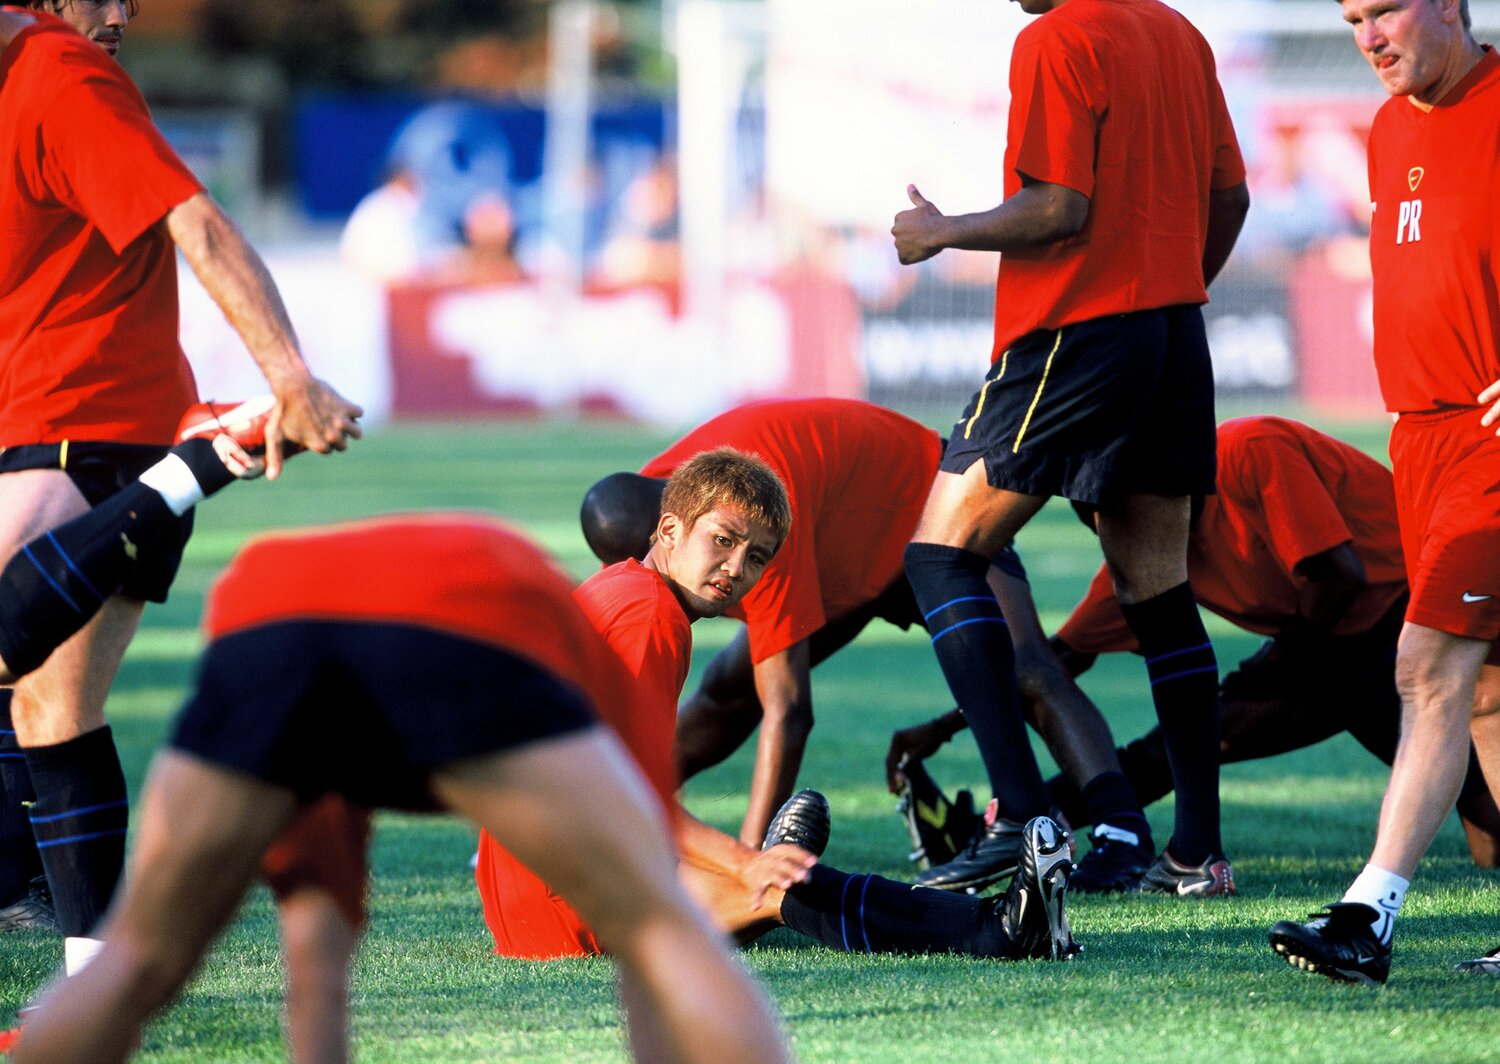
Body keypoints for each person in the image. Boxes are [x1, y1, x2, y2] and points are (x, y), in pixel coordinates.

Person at [6, 515, 793, 1064]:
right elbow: (648, 828)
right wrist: (747, 865)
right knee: (660, 932)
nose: (735, 568)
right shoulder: (630, 620)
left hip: (271, 619)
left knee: (144, 953)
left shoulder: (605, 601)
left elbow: (316, 972)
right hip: (459, 618)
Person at [0, 2, 362, 977]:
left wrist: (288, 374)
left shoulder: (62, 77)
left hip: (89, 429)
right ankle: (89, 979)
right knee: (49, 713)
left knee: (12, 659)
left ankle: (208, 456)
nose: (117, 15)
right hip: (43, 429)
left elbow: (196, 221)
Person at [889, 0, 1249, 895]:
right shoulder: (1177, 32)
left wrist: (940, 233)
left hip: (1075, 332)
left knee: (939, 558)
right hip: (1172, 335)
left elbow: (1059, 208)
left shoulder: (1058, 36)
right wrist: (1175, 286)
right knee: (1159, 597)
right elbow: (1231, 196)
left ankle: (1020, 822)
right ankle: (1194, 853)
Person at [483, 448, 1076, 964]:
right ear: (668, 531)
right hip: (565, 896)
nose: (736, 569)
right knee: (770, 888)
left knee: (759, 882)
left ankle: (987, 921)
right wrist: (741, 863)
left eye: (757, 556)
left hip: (530, 883)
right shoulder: (651, 616)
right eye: (723, 539)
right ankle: (1001, 931)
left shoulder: (619, 587)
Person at [891, 417, 1500, 882]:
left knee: (1488, 834)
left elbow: (1338, 576)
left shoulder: (1253, 450)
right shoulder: (1142, 553)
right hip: (1329, 656)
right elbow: (1054, 660)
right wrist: (943, 728)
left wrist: (1280, 661)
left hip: (1422, 617)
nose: (1110, 531)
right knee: (1170, 750)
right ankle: (996, 830)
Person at [580, 397, 1145, 883]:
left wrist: (748, 864)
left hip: (938, 499)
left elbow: (791, 712)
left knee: (1024, 665)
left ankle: (1124, 837)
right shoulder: (676, 508)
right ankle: (606, 812)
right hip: (849, 551)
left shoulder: (740, 523)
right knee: (731, 688)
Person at [1268, 0, 1500, 984]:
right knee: (1485, 689)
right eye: (1352, 16)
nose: (1368, 36)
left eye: (1386, 10)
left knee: (1426, 664)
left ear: (1450, 3)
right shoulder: (1388, 127)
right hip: (1419, 441)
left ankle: (1369, 914)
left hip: (1489, 445)